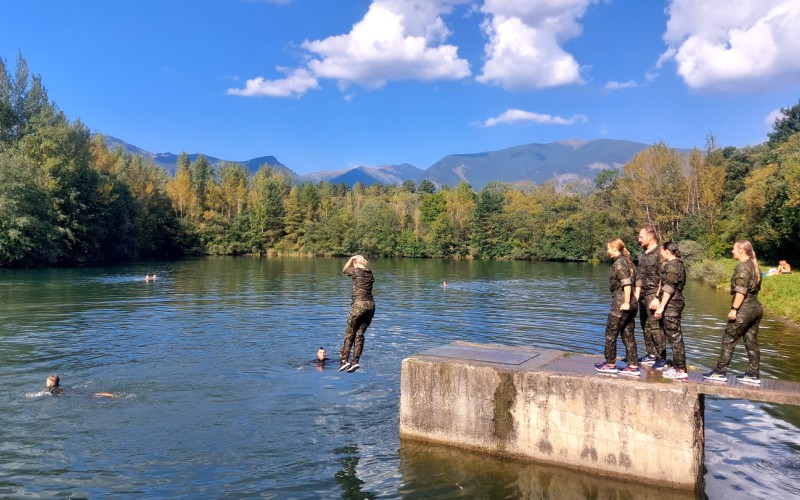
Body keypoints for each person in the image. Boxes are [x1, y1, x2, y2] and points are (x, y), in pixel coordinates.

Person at [703, 240, 763, 385]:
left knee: (728, 339)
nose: (732, 251)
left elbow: (741, 292)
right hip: (756, 308)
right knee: (751, 343)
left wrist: (734, 309)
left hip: (744, 309)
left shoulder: (743, 268)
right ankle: (753, 374)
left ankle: (720, 372)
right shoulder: (754, 266)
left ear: (742, 250)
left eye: (734, 249)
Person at [594, 239, 639, 375]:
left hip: (621, 304)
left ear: (614, 249)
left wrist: (626, 301)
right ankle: (633, 366)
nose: (607, 251)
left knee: (610, 334)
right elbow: (638, 281)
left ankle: (610, 364)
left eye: (608, 248)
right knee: (628, 334)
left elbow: (626, 284)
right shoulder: (629, 262)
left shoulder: (619, 264)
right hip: (632, 303)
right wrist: (634, 298)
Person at [653, 242, 689, 380]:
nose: (660, 252)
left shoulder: (673, 266)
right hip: (672, 303)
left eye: (661, 250)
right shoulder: (675, 264)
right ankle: (677, 367)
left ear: (667, 251)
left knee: (675, 337)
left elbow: (669, 288)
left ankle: (680, 370)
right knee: (673, 336)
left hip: (672, 304)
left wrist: (661, 307)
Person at [634, 227, 667, 365]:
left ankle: (661, 357)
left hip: (654, 294)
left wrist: (657, 297)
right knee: (645, 326)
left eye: (641, 237)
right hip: (642, 295)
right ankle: (651, 354)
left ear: (650, 238)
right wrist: (636, 296)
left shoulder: (660, 252)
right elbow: (639, 277)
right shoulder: (643, 254)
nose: (639, 240)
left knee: (655, 327)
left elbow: (663, 277)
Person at [338, 255, 375, 374]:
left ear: (355, 262)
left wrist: (351, 258)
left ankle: (344, 361)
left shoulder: (356, 271)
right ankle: (355, 362)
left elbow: (344, 269)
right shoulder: (370, 273)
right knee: (359, 334)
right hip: (371, 306)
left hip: (359, 305)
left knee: (349, 333)